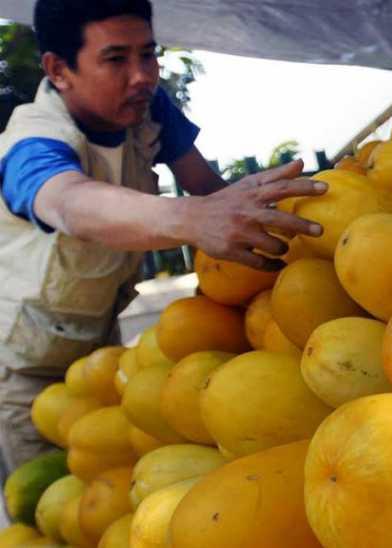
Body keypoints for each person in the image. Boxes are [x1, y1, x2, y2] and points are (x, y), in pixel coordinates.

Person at [0, 0, 326, 479]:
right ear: (59, 69)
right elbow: (66, 202)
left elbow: (208, 189)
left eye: (148, 54)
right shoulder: (32, 140)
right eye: (116, 59)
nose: (142, 76)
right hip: (24, 365)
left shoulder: (147, 109)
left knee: (118, 477)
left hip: (101, 345)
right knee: (54, 501)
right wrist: (192, 219)